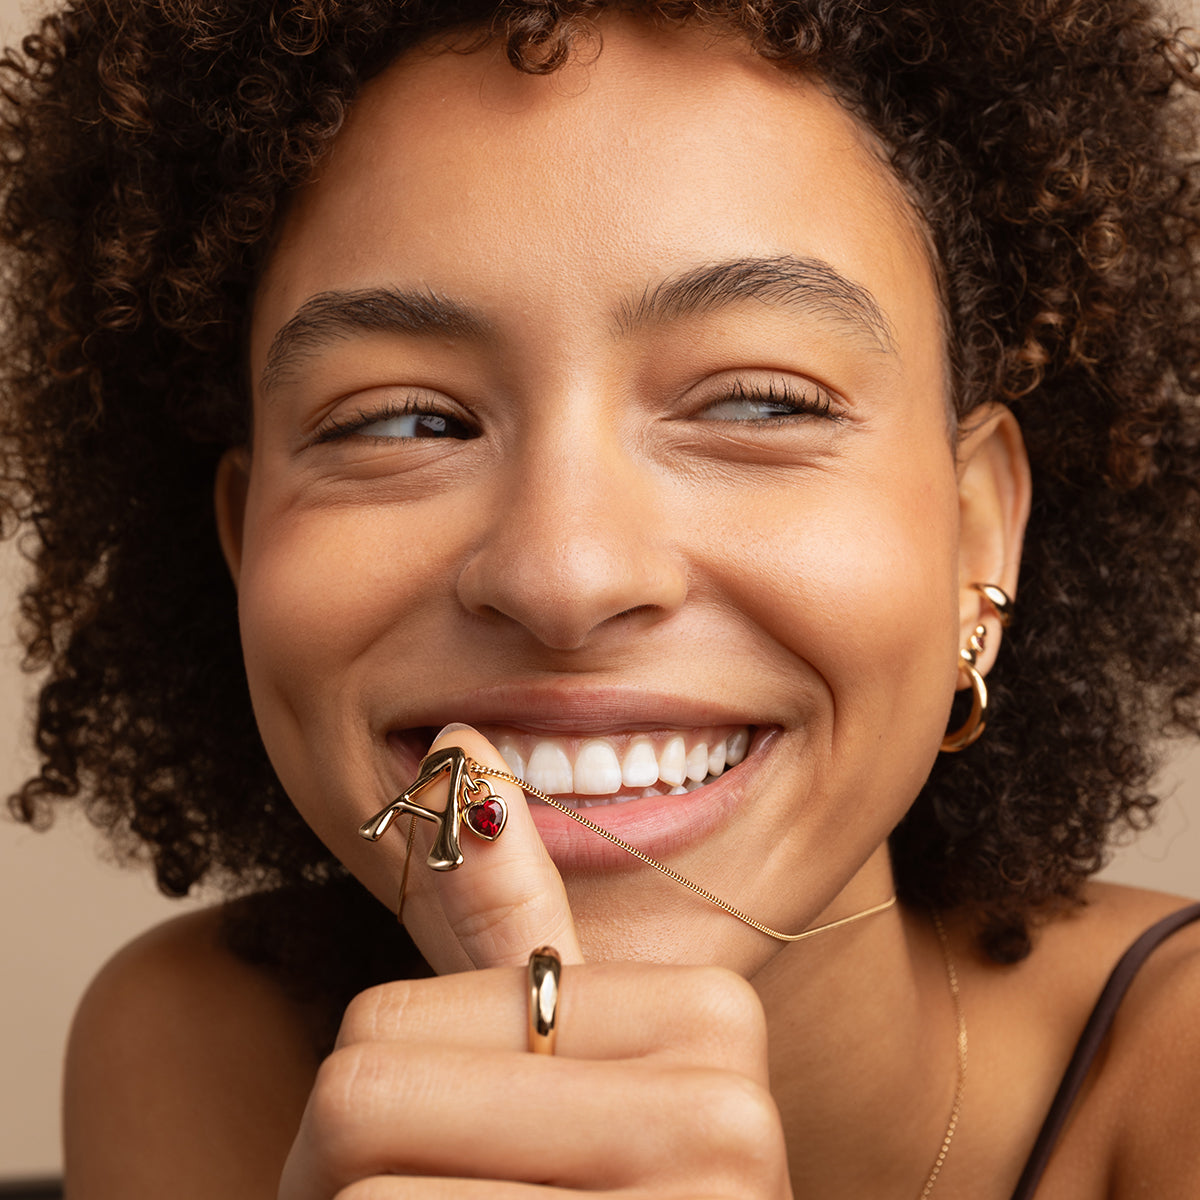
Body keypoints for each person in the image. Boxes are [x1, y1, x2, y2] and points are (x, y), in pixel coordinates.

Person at [2, 0, 1199, 1195]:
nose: (563, 578)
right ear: (244, 546)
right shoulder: (205, 1054)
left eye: (758, 402)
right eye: (404, 422)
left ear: (974, 531)